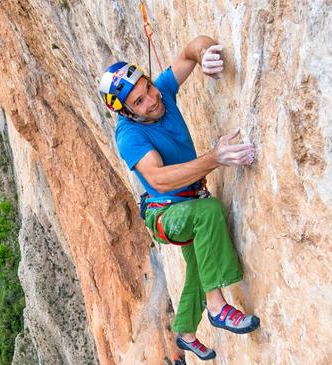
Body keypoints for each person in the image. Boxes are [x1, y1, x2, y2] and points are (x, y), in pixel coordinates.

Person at [98, 36, 260, 362]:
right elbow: (157, 178)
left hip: (186, 200)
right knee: (208, 212)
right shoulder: (129, 136)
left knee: (199, 267)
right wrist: (214, 158)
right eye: (140, 102)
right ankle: (217, 308)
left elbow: (192, 47)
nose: (151, 101)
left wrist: (205, 55)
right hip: (166, 214)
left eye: (148, 89)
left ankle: (185, 334)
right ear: (128, 112)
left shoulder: (163, 93)